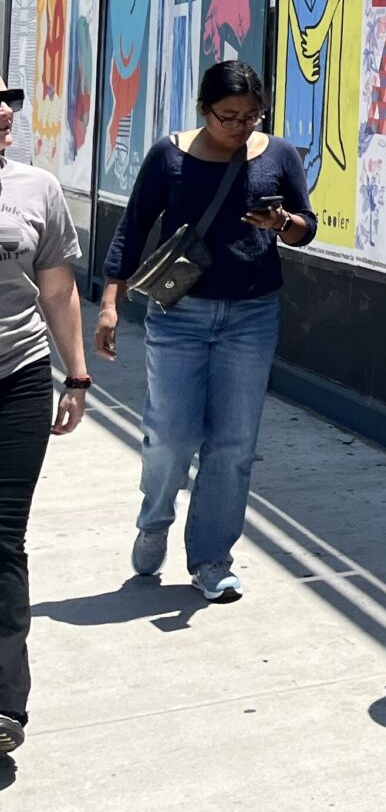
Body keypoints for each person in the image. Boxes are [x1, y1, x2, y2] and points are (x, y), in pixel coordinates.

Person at [97, 61, 316, 604]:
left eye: (250, 117)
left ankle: (212, 558)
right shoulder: (170, 155)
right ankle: (154, 520)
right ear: (203, 110)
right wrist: (108, 301)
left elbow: (307, 227)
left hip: (252, 315)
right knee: (170, 435)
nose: (239, 127)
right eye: (227, 117)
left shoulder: (279, 155)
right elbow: (135, 224)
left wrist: (282, 224)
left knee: (234, 444)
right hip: (180, 315)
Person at [0, 77, 91, 757]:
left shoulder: (37, 190)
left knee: (3, 539)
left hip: (19, 377)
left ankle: (5, 704)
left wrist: (77, 374)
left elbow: (57, 290)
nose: (4, 111)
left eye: (10, 98)